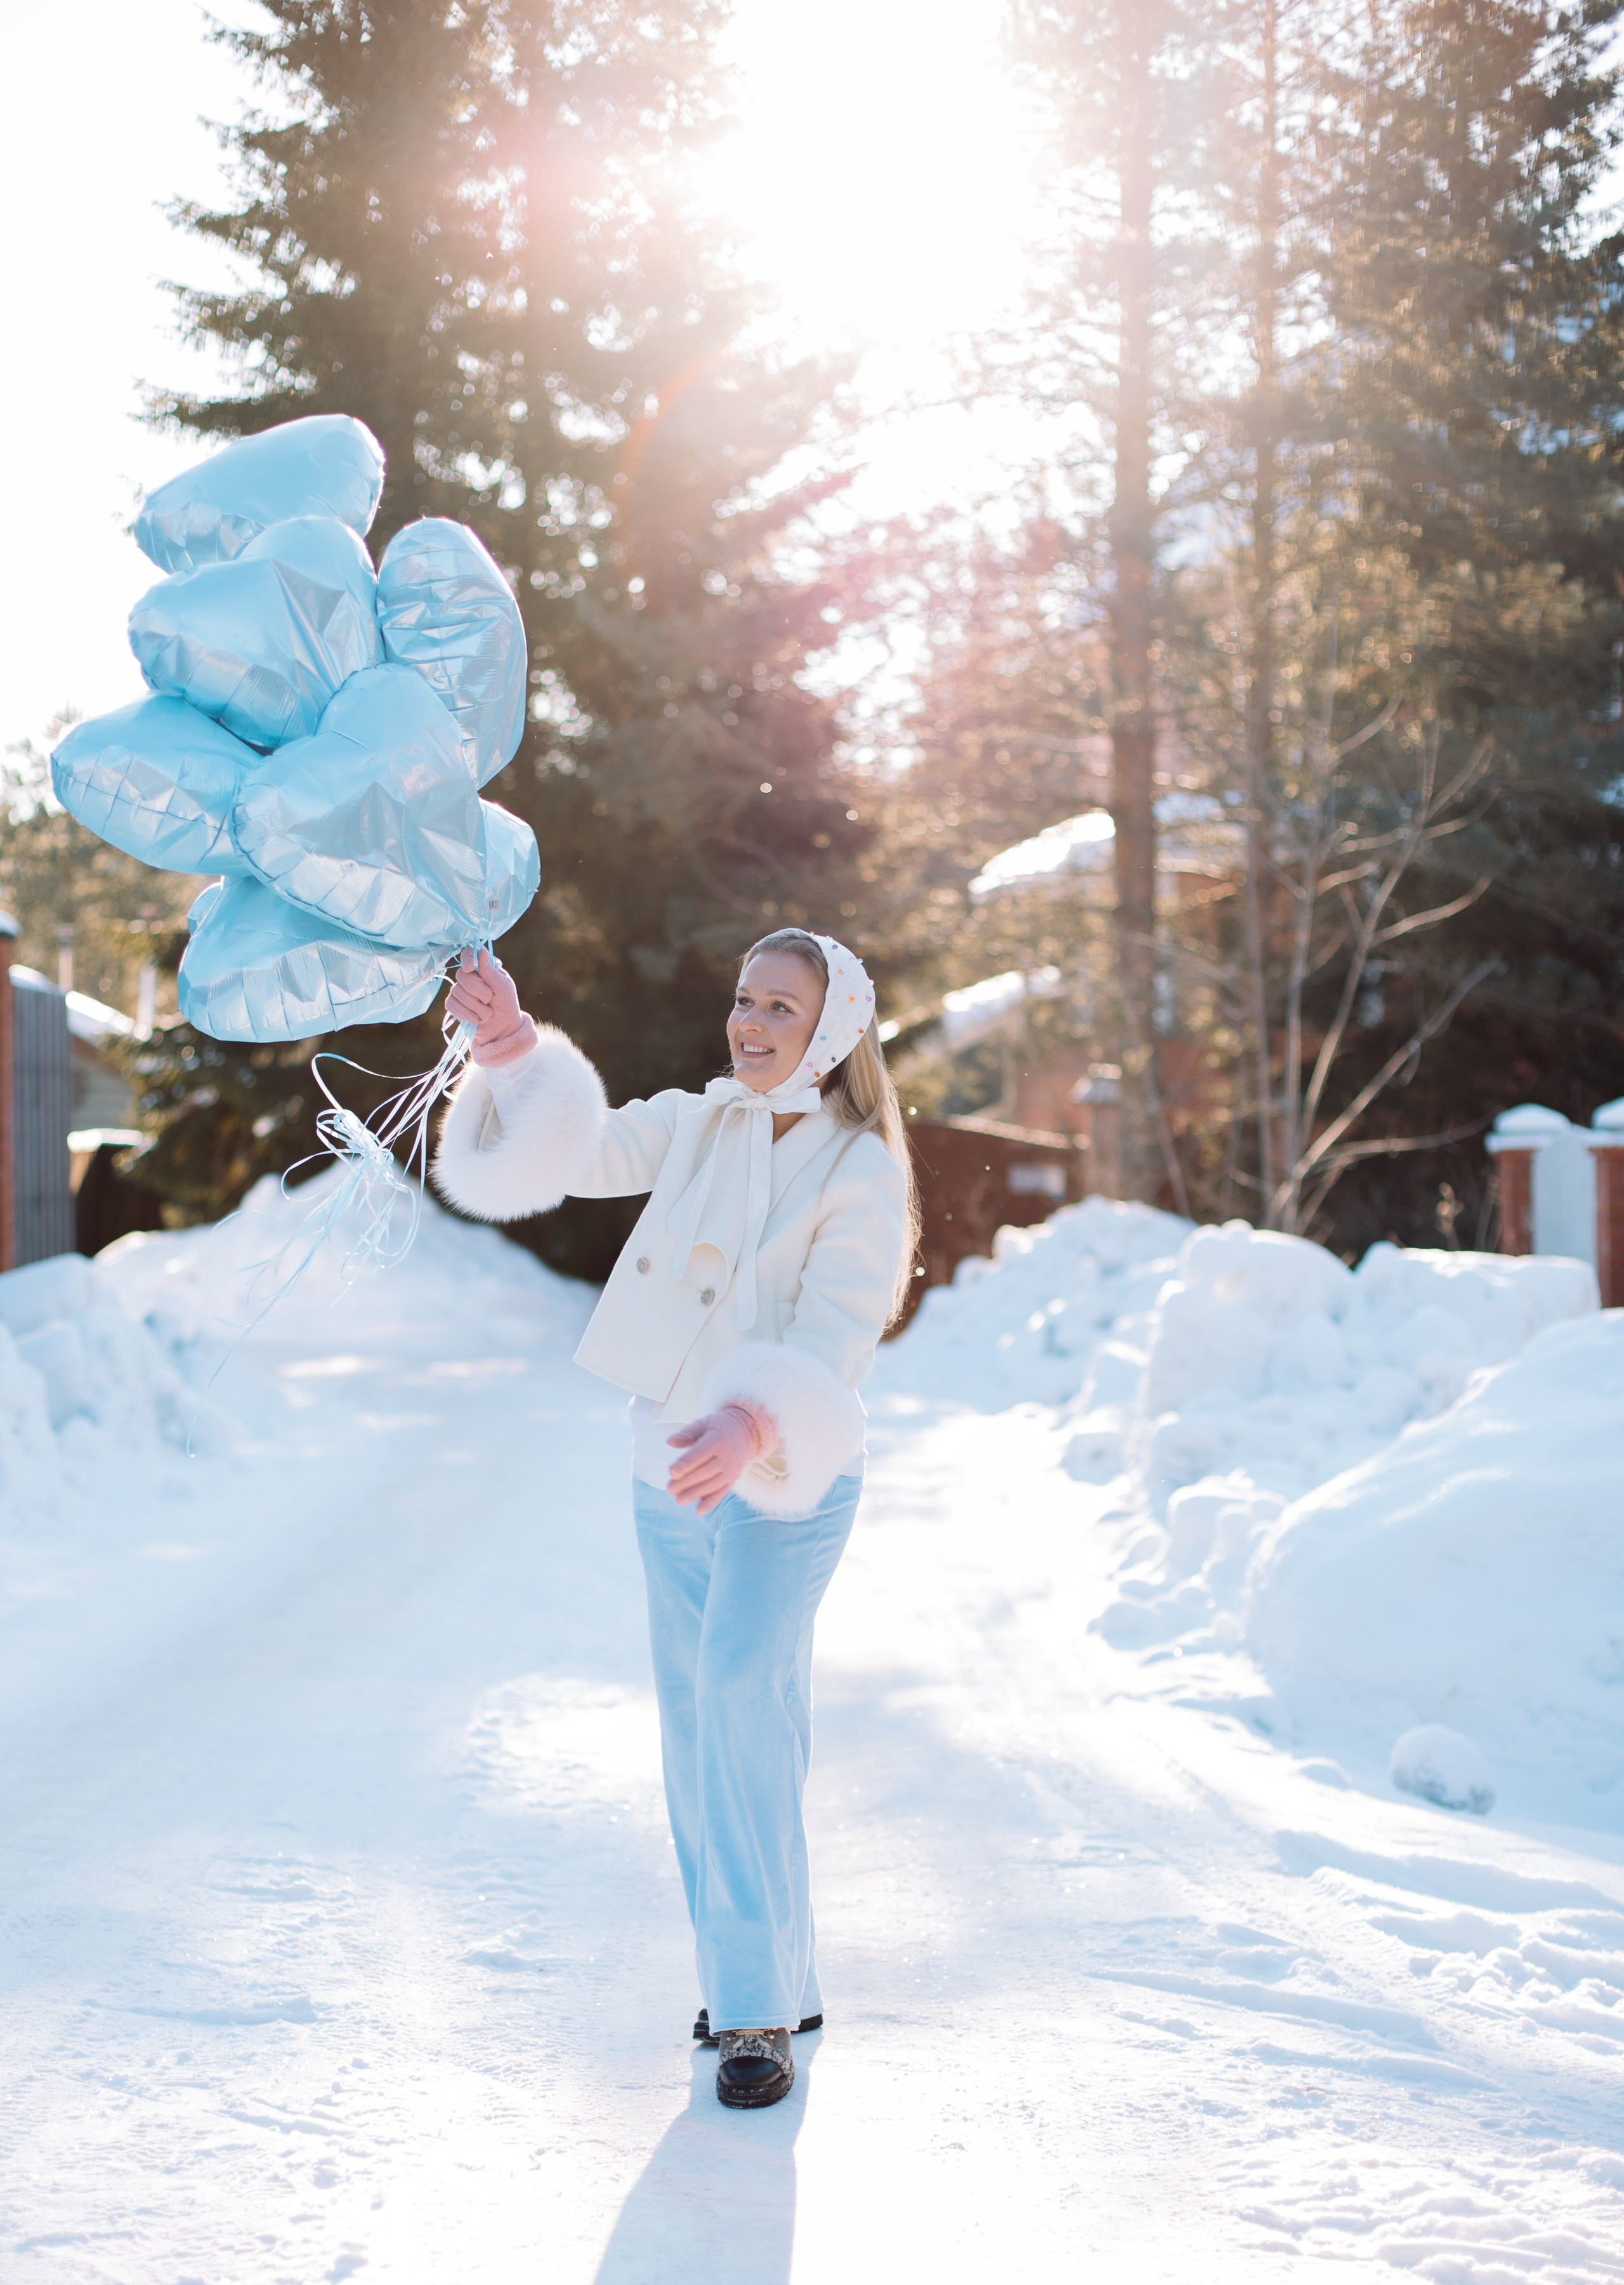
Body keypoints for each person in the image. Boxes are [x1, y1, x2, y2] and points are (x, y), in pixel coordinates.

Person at [434, 930, 917, 2110]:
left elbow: (838, 1326)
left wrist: (755, 1422)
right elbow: (583, 1150)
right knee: (716, 1722)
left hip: (786, 1473)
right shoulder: (702, 1120)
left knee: (745, 1687)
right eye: (743, 998)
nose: (750, 1023)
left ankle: (751, 2010)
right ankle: (769, 1971)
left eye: (781, 1008)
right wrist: (507, 1048)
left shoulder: (863, 1167)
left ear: (834, 1031)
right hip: (670, 1470)